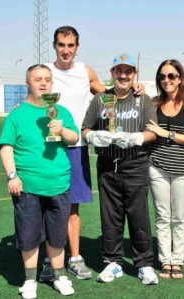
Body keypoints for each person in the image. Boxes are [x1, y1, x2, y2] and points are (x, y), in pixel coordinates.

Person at [40, 26, 145, 281]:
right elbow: (34, 101)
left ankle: (75, 258)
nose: (66, 50)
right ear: (54, 45)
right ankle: (48, 260)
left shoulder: (85, 72)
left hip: (76, 146)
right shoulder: (44, 71)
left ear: (77, 47)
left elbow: (108, 95)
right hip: (48, 147)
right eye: (62, 45)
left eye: (71, 45)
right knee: (46, 205)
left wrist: (134, 88)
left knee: (72, 206)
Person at [0, 64, 78, 298]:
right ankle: (30, 281)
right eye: (38, 79)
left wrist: (62, 130)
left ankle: (59, 275)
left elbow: (74, 138)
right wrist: (12, 175)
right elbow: (6, 146)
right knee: (29, 236)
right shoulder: (17, 114)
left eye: (47, 79)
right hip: (27, 187)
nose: (43, 83)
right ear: (28, 84)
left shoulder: (61, 111)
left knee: (57, 236)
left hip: (59, 185)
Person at [81, 53, 159, 285]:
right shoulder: (100, 99)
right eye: (118, 71)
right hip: (107, 165)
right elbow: (85, 128)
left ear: (134, 74)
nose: (123, 75)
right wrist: (94, 135)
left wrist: (136, 138)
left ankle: (144, 263)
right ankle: (113, 262)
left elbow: (153, 132)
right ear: (112, 73)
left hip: (135, 163)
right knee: (110, 215)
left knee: (139, 217)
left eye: (128, 71)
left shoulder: (143, 99)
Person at [146, 60, 184, 279]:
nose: (166, 80)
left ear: (180, 78)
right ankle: (165, 261)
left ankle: (177, 261)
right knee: (162, 216)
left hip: (183, 169)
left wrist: (165, 133)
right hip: (157, 167)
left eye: (171, 76)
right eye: (162, 76)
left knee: (179, 217)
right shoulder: (154, 103)